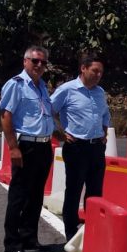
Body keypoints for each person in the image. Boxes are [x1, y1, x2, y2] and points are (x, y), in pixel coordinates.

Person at [0, 46, 55, 252]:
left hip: (43, 146)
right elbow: (6, 116)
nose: (39, 65)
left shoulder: (42, 87)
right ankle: (12, 244)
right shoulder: (16, 85)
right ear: (25, 62)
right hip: (26, 146)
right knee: (19, 196)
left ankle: (29, 238)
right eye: (35, 61)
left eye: (43, 62)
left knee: (36, 195)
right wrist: (13, 148)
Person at [50, 53, 111, 242]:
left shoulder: (99, 92)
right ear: (83, 68)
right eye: (95, 70)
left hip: (96, 147)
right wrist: (58, 132)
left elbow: (105, 113)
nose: (98, 75)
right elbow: (48, 111)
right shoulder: (67, 90)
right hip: (76, 147)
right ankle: (70, 231)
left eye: (101, 72)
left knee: (95, 191)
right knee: (74, 190)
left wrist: (104, 130)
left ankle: (93, 228)